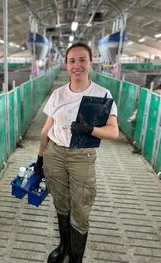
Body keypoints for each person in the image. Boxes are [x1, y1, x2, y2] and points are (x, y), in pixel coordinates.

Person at [34, 42, 119, 263]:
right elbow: (45, 130)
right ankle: (63, 246)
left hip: (82, 156)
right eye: (72, 61)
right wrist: (40, 159)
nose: (77, 65)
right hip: (55, 154)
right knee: (61, 202)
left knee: (80, 207)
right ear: (66, 65)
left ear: (91, 63)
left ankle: (76, 258)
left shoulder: (102, 94)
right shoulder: (58, 94)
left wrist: (91, 129)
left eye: (82, 60)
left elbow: (113, 132)